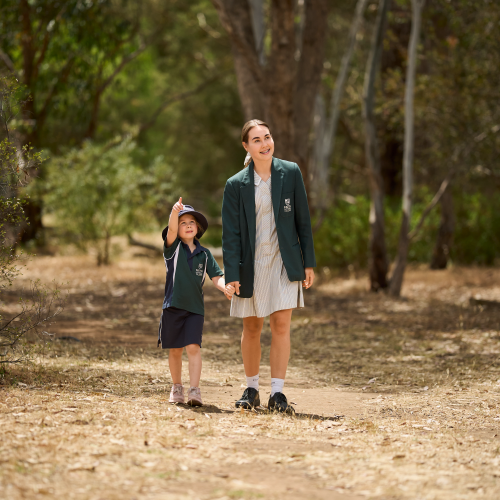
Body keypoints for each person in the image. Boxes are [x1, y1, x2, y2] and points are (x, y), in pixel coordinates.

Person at [222, 119, 316, 413]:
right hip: (250, 264)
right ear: (246, 146)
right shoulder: (236, 185)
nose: (265, 144)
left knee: (281, 325)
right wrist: (232, 274)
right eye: (257, 140)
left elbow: (303, 221)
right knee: (251, 327)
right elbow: (231, 235)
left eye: (268, 137)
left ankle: (278, 394)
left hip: (284, 262)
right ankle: (251, 389)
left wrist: (308, 263)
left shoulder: (290, 173)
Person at [159, 198, 233, 406]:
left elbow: (217, 277)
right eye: (183, 223)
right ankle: (176, 387)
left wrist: (225, 287)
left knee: (193, 347)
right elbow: (171, 231)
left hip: (195, 310)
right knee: (175, 349)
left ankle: (194, 390)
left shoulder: (205, 254)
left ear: (198, 228)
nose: (188, 225)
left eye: (192, 222)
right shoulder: (172, 249)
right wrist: (175, 212)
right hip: (172, 307)